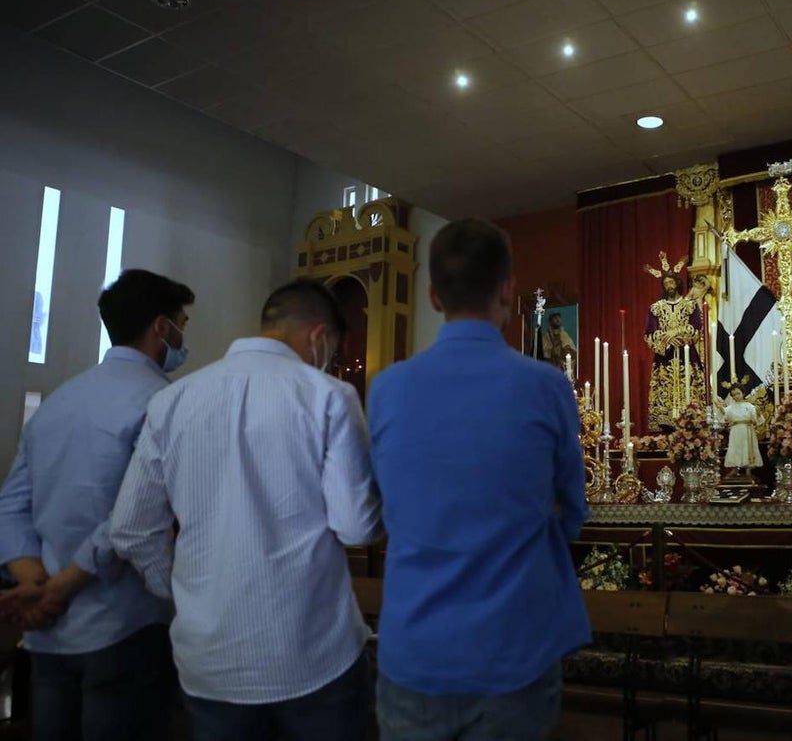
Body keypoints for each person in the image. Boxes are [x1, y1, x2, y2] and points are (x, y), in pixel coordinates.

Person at [110, 279, 382, 741]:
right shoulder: (328, 395)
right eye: (333, 350)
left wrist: (187, 596)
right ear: (319, 337)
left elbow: (131, 529)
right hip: (314, 655)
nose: (331, 362)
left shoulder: (171, 401)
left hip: (209, 660)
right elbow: (356, 527)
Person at [368, 218, 589, 741]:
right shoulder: (545, 385)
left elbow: (381, 501)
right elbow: (572, 511)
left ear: (432, 296)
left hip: (415, 649)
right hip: (514, 647)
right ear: (509, 289)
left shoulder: (387, 388)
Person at [0, 269, 194, 741]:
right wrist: (61, 588)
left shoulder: (59, 402)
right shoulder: (164, 402)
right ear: (160, 328)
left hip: (47, 626)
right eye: (182, 323)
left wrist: (36, 584)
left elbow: (11, 507)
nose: (183, 337)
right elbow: (134, 516)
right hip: (124, 623)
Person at [645, 272, 706, 430]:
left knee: (691, 390)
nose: (669, 286)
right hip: (665, 358)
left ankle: (692, 421)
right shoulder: (656, 308)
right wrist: (667, 339)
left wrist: (676, 333)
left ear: (677, 284)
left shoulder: (690, 306)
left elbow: (697, 329)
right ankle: (666, 424)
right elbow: (649, 334)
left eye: (671, 282)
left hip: (687, 356)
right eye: (666, 284)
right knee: (663, 390)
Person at [714, 385, 765, 477]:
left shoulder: (749, 406)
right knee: (735, 448)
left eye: (738, 393)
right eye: (734, 395)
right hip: (736, 431)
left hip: (747, 430)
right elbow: (725, 415)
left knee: (748, 448)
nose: (736, 396)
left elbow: (755, 417)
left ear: (743, 393)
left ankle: (748, 470)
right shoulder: (731, 407)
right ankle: (734, 469)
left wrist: (757, 412)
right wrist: (721, 409)